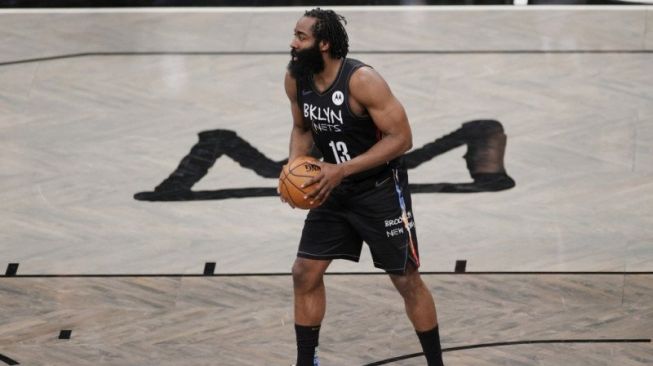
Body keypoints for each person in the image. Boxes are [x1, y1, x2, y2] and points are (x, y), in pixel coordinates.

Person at [282, 8, 445, 366]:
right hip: (331, 190)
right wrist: (295, 167)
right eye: (294, 35)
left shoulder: (362, 80)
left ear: (324, 43)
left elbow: (402, 138)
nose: (292, 43)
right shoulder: (296, 78)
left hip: (379, 190)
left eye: (301, 36)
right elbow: (302, 128)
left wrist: (342, 170)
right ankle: (306, 363)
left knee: (406, 280)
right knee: (303, 272)